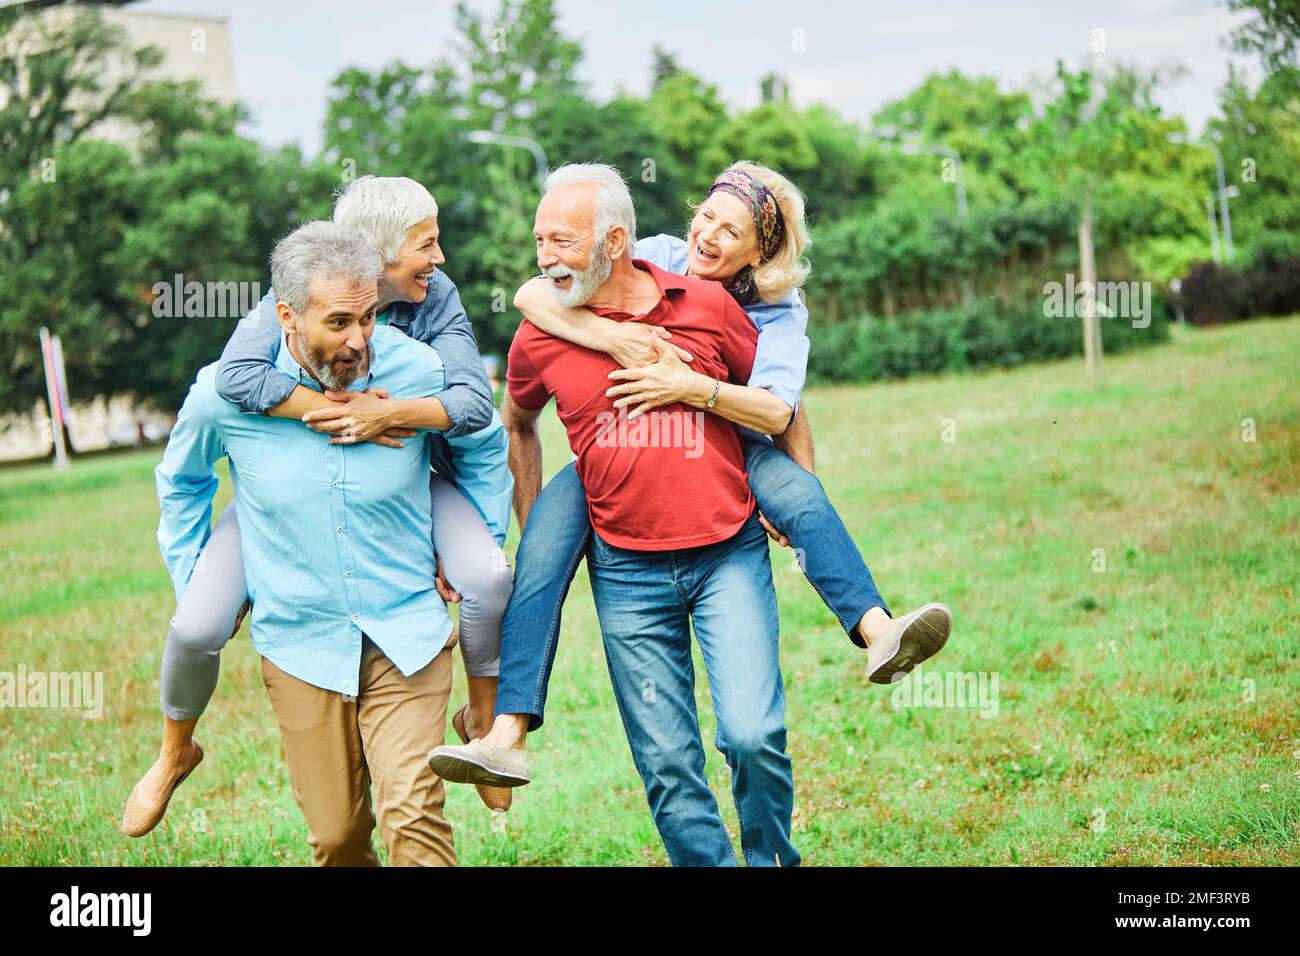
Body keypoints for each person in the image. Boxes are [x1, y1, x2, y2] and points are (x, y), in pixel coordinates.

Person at [433, 161, 952, 786]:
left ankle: (879, 633)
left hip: (731, 435)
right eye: (706, 215)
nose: (708, 236)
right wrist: (612, 339)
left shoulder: (778, 312)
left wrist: (780, 468)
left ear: (760, 253)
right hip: (615, 451)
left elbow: (784, 409)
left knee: (796, 494)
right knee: (540, 546)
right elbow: (535, 294)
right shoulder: (658, 254)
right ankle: (506, 734)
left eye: (731, 232)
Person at [122, 177, 514, 836]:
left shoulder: (429, 313)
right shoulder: (271, 319)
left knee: (487, 576)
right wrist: (327, 412)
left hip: (416, 481)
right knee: (195, 625)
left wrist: (391, 413)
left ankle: (484, 721)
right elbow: (232, 389)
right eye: (425, 245)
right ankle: (173, 752)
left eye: (365, 319)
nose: (439, 259)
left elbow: (476, 412)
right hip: (276, 506)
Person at [434, 163, 801, 866]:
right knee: (667, 763)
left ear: (615, 241)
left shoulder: (704, 302)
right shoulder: (540, 334)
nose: (546, 257)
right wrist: (540, 516)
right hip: (627, 574)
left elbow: (779, 402)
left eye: (562, 241)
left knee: (754, 736)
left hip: (726, 551)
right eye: (540, 241)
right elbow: (517, 421)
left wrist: (795, 491)